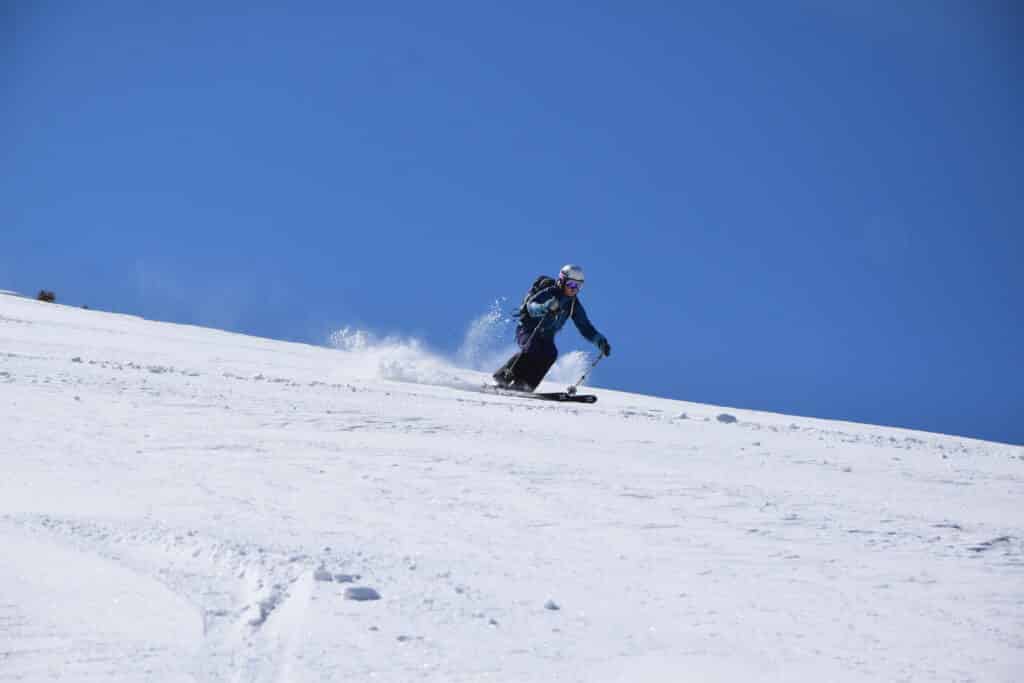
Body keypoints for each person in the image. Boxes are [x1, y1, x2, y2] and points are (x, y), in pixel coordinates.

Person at [493, 264, 611, 392]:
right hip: (528, 330)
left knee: (550, 353)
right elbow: (531, 306)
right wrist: (546, 306)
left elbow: (585, 327)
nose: (574, 289)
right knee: (533, 348)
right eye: (571, 284)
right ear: (562, 281)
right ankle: (503, 375)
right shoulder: (550, 292)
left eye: (578, 286)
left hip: (547, 337)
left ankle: (526, 384)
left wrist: (600, 342)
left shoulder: (573, 305)